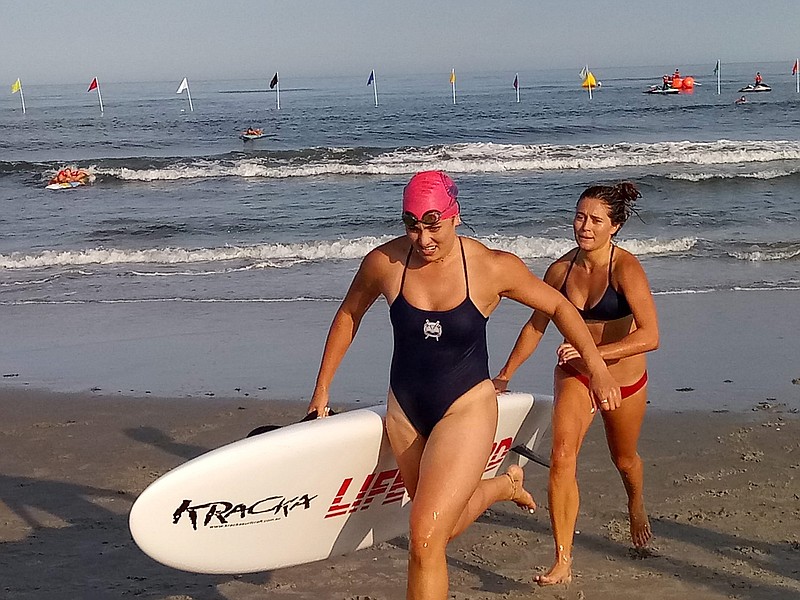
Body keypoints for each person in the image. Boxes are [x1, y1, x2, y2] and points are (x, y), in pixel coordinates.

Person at [308, 171, 620, 600]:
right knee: (435, 530)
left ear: (455, 216)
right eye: (412, 226)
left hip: (466, 407)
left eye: (433, 225)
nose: (423, 239)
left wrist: (598, 368)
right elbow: (349, 314)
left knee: (423, 538)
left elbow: (559, 306)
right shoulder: (385, 263)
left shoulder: (491, 267)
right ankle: (501, 486)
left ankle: (498, 486)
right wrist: (322, 389)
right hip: (405, 410)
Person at [494, 182, 659, 586]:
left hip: (624, 379)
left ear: (614, 226)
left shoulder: (626, 269)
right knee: (563, 456)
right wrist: (504, 374)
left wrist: (596, 355)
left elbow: (650, 335)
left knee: (624, 459)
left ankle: (635, 501)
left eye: (596, 220)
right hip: (575, 375)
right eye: (580, 216)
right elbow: (536, 326)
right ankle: (562, 559)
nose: (584, 226)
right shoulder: (560, 270)